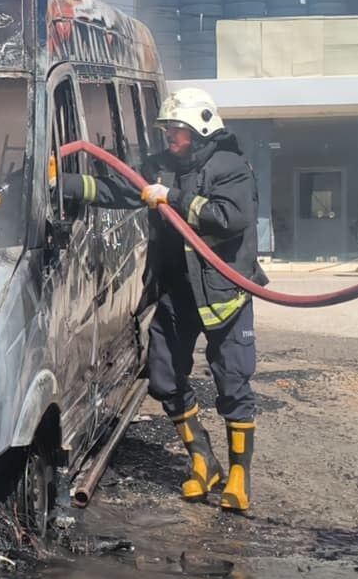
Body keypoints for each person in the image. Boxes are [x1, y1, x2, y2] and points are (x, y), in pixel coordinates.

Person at [35, 88, 265, 512]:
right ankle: (203, 459)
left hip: (223, 293)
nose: (169, 136)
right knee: (163, 378)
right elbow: (118, 189)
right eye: (167, 129)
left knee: (233, 382)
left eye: (176, 129)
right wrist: (58, 184)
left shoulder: (230, 167)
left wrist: (172, 198)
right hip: (176, 291)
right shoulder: (160, 166)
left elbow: (230, 218)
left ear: (200, 129)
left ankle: (239, 475)